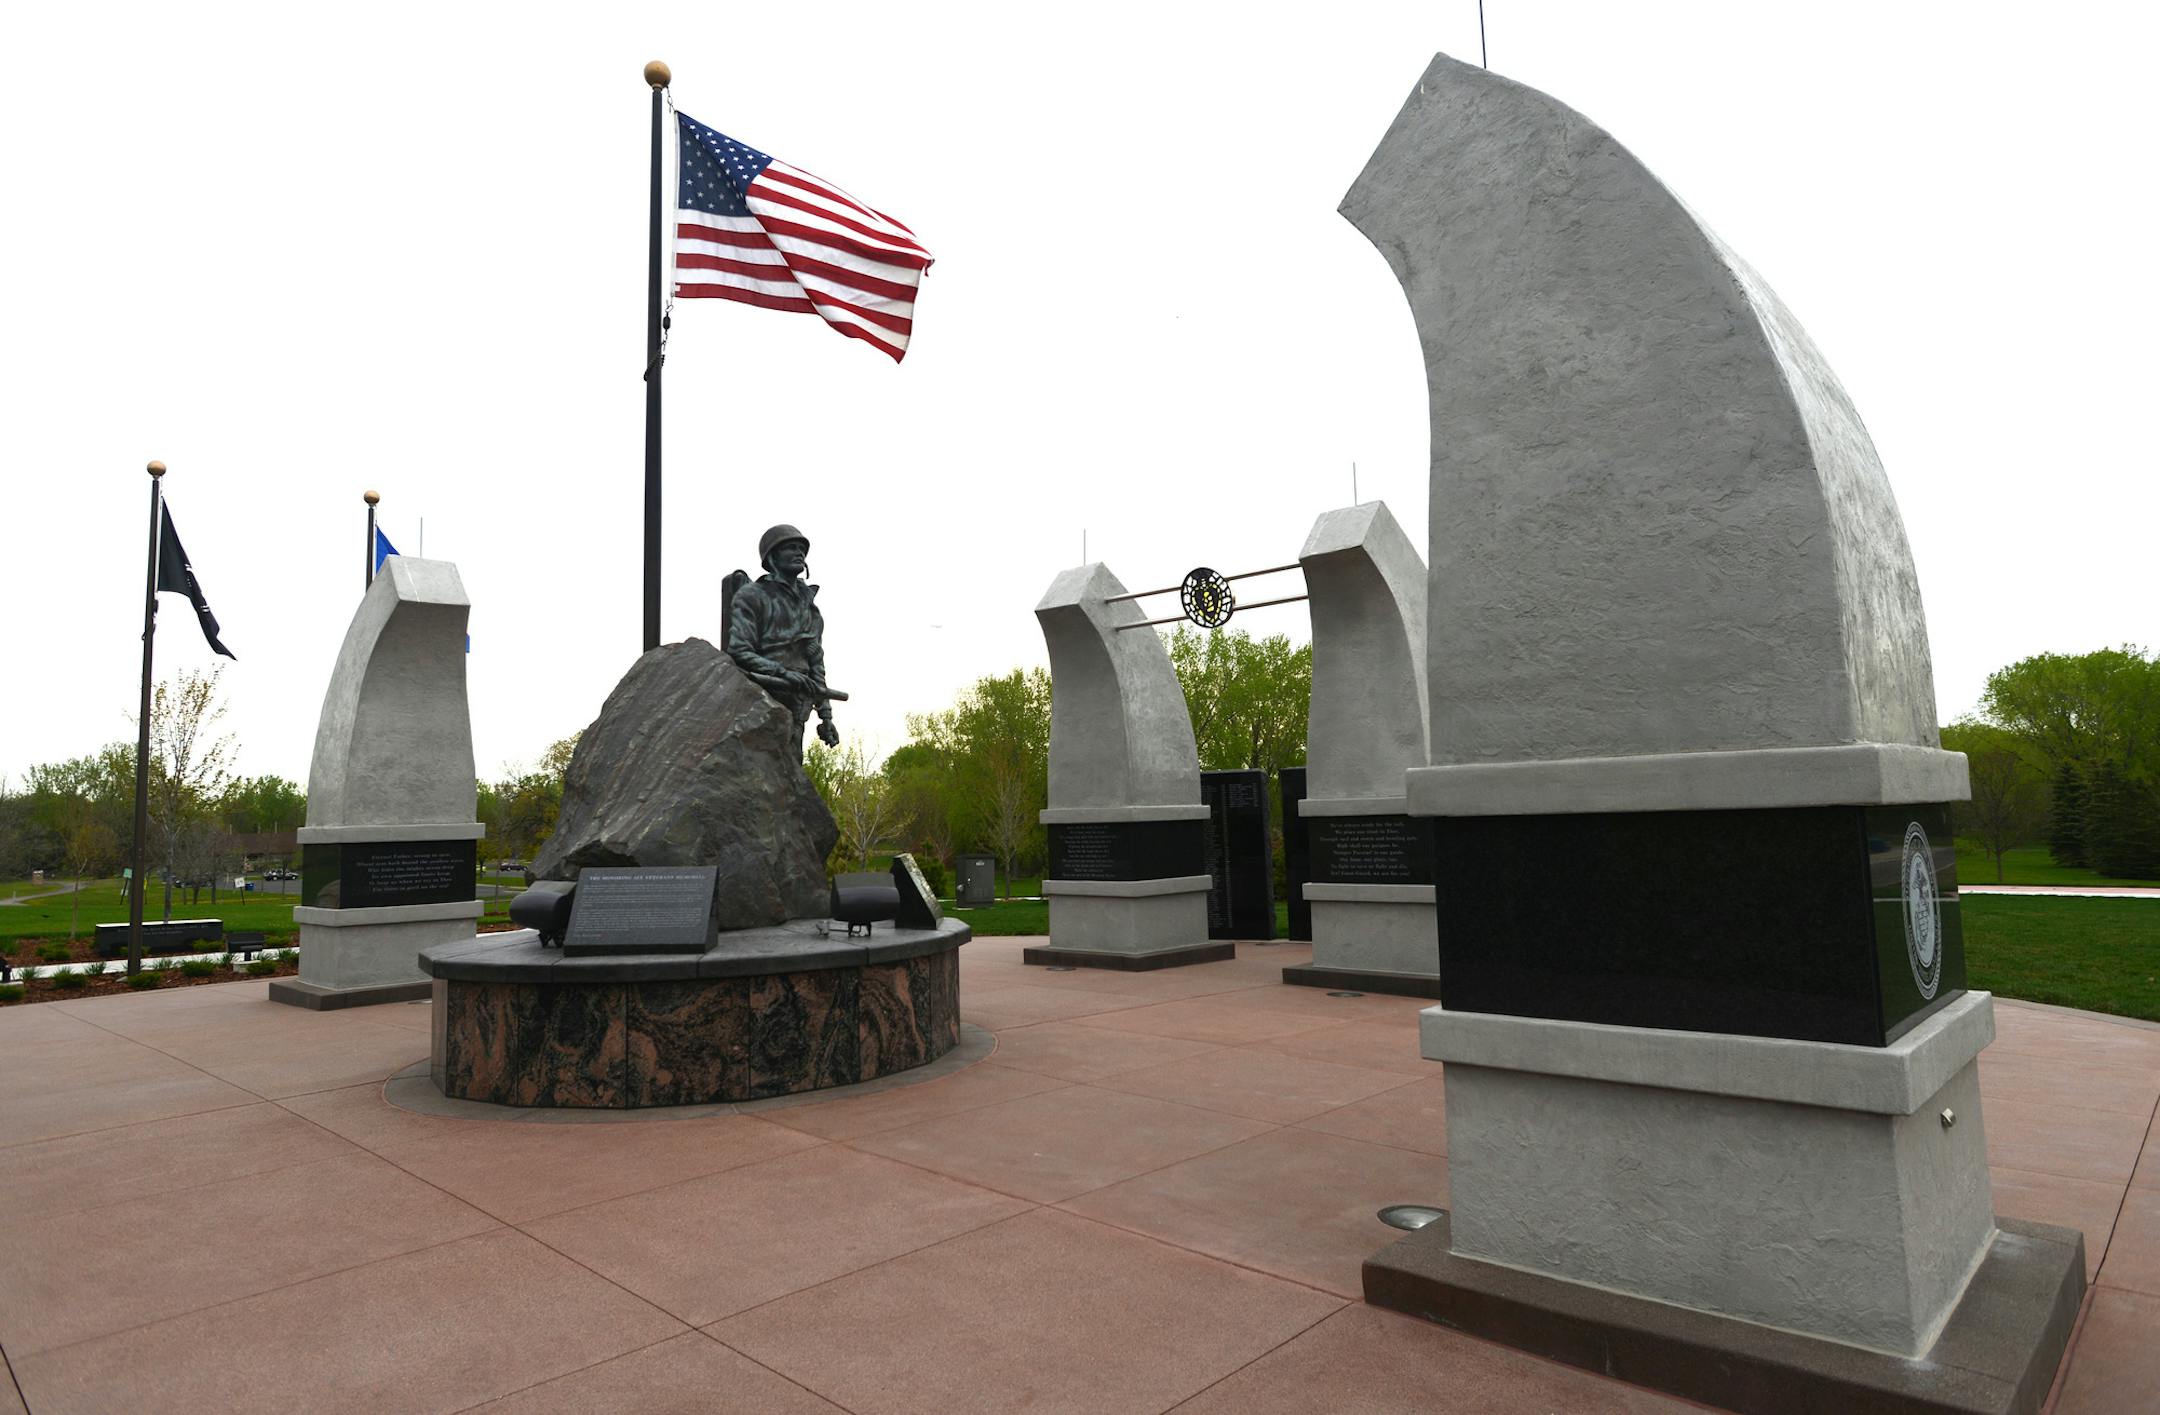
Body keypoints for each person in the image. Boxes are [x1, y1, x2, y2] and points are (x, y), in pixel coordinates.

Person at [724, 524, 840, 758]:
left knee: (792, 769)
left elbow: (816, 661)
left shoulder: (810, 608)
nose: (800, 553)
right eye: (791, 548)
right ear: (772, 557)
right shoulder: (753, 596)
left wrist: (826, 715)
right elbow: (739, 650)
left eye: (802, 549)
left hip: (799, 702)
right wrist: (784, 674)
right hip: (762, 698)